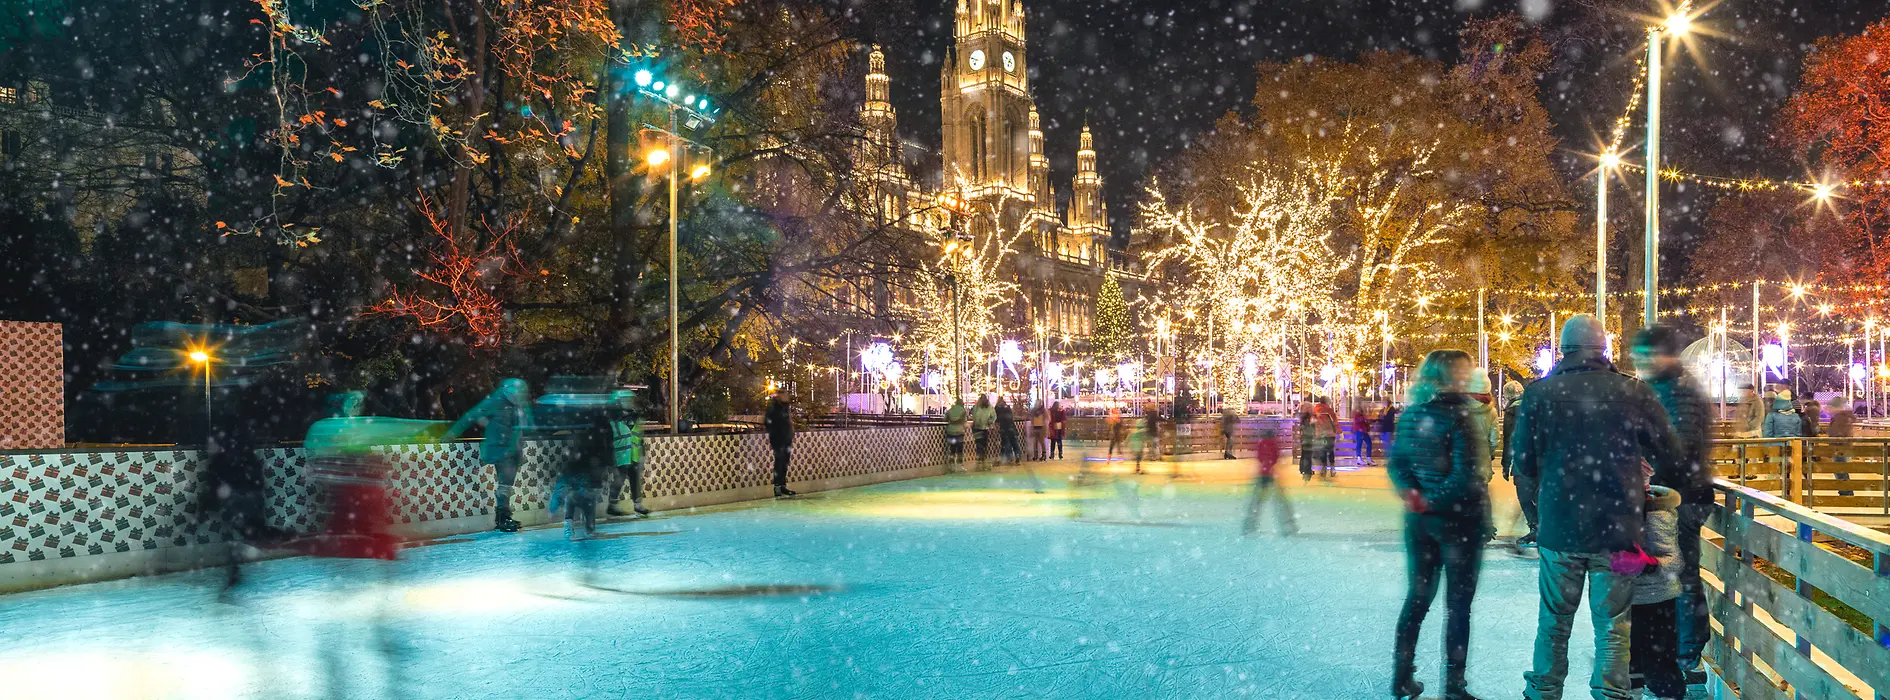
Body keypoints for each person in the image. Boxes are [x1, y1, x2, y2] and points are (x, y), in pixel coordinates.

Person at [1509, 315, 1682, 700]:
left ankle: (1543, 692)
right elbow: (1669, 449)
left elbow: (1523, 462)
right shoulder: (1633, 392)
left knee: (1553, 621)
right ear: (1603, 347)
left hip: (1560, 528)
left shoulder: (1538, 395)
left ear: (1564, 349)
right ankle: (1611, 694)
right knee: (1614, 624)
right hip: (1620, 530)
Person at [1388, 349, 1492, 700]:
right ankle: (1454, 686)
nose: (1468, 377)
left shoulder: (1413, 414)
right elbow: (1468, 475)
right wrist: (1432, 499)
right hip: (1459, 523)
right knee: (1458, 605)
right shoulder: (1461, 416)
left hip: (1421, 525)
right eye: (1462, 372)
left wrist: (1414, 495)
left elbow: (1398, 464)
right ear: (1449, 376)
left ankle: (1402, 676)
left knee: (1418, 598)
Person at [1630, 325, 1716, 684]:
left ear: (1665, 355)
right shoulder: (1660, 388)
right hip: (1667, 496)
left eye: (1647, 354)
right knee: (1662, 576)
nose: (1640, 361)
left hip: (1681, 497)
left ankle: (1685, 654)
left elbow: (1679, 449)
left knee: (1678, 575)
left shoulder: (1679, 392)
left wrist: (1647, 469)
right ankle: (1654, 657)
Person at [445, 379, 532, 533]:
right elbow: (472, 415)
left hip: (514, 449)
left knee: (507, 485)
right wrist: (452, 434)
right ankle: (503, 518)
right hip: (501, 449)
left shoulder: (519, 405)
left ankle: (503, 517)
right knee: (505, 485)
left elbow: (524, 425)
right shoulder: (498, 401)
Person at [1629, 479, 1685, 700]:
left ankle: (1670, 692)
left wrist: (1648, 565)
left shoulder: (1656, 514)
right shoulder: (1615, 510)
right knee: (1628, 660)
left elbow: (1674, 561)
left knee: (1658, 659)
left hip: (1656, 600)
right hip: (1625, 598)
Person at [1500, 379, 1538, 548]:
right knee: (1537, 495)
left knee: (1524, 496)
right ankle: (1541, 527)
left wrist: (1505, 465)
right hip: (1540, 459)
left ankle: (1535, 527)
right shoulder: (1535, 406)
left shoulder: (1512, 412)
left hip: (1522, 460)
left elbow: (1509, 440)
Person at [1242, 425, 1297, 536]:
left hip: (1263, 474)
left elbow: (1260, 457)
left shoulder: (1261, 444)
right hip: (1271, 474)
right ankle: (1288, 525)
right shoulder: (1273, 444)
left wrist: (1265, 465)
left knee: (1257, 502)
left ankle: (1249, 524)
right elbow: (1276, 457)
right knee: (1280, 502)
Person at [606, 392, 650, 517]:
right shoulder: (612, 422)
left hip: (633, 455)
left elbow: (638, 439)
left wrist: (642, 455)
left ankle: (636, 505)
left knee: (634, 479)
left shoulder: (636, 418)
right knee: (620, 478)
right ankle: (612, 505)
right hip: (620, 456)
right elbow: (607, 441)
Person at [764, 392, 797, 497]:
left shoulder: (784, 405)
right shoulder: (774, 406)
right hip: (778, 438)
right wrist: (776, 432)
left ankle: (782, 485)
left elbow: (787, 421)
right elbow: (768, 421)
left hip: (786, 438)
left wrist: (790, 433)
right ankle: (777, 486)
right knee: (779, 461)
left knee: (784, 462)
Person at [1313, 398, 1338, 480]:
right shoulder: (1329, 410)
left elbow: (1313, 422)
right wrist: (1339, 432)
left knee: (1322, 450)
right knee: (1330, 450)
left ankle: (1324, 467)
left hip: (1320, 434)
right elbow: (1334, 421)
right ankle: (1332, 467)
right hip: (1330, 433)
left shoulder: (1315, 410)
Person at [972, 395, 997, 470]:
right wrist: (989, 421)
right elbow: (994, 416)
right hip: (984, 428)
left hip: (978, 428)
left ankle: (980, 461)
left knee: (979, 444)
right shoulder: (989, 407)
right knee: (983, 445)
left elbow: (974, 415)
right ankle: (982, 461)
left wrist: (976, 421)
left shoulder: (977, 407)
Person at [995, 397, 1021, 465]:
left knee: (1005, 444)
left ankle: (1006, 458)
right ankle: (1017, 457)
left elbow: (996, 419)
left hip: (1004, 428)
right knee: (1015, 444)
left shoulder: (997, 408)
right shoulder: (1008, 407)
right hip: (1012, 427)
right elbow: (1011, 417)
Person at [944, 397, 968, 467]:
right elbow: (964, 422)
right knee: (960, 449)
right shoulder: (963, 411)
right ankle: (959, 465)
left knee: (952, 448)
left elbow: (945, 419)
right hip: (959, 432)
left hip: (950, 431)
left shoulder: (950, 410)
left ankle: (951, 464)